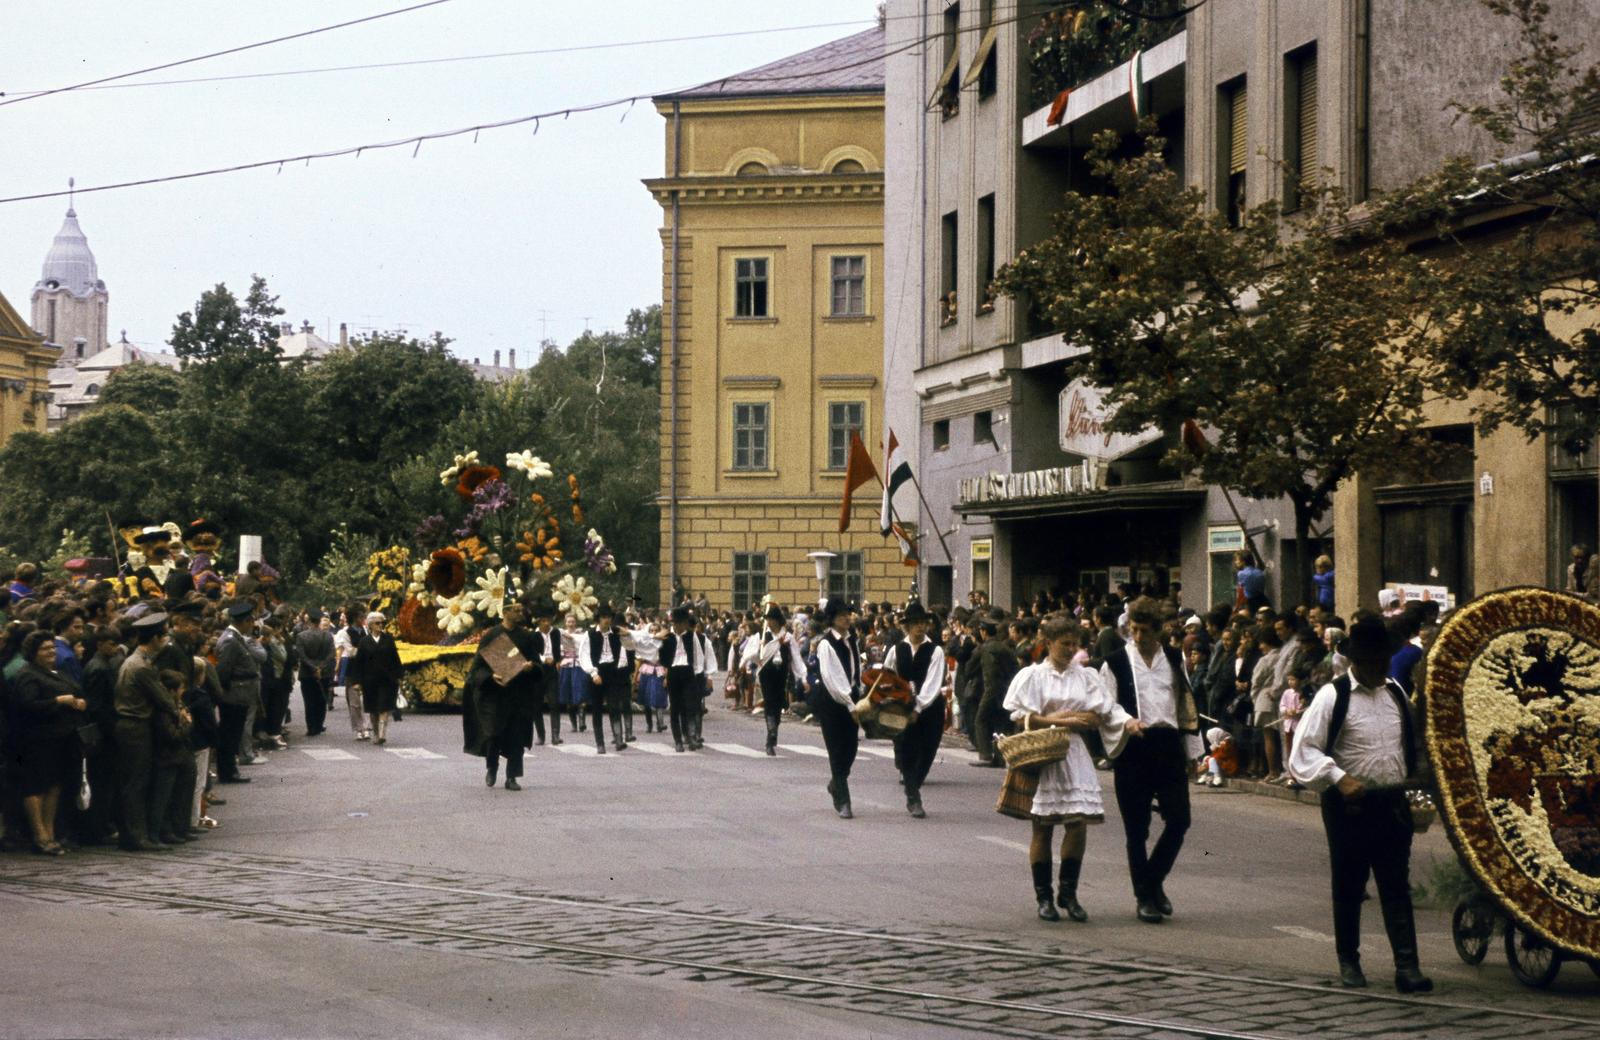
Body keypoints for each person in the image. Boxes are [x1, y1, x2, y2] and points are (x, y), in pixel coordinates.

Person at [1287, 615, 1432, 993]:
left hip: (1390, 801)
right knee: (1350, 885)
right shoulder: (1333, 696)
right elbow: (1303, 750)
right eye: (1369, 662)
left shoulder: (1396, 692)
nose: (1377, 668)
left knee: (1396, 884)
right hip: (1350, 805)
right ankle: (1349, 961)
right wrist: (1338, 777)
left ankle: (1407, 966)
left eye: (1382, 661)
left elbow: (1409, 744)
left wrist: (1414, 784)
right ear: (1355, 661)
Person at [1001, 616, 1130, 921]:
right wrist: (1064, 718)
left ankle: (1068, 893)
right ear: (1048, 643)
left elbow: (1099, 715)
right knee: (1043, 825)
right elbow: (1020, 716)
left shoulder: (1085, 676)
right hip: (1042, 752)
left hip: (1073, 752)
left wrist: (1073, 718)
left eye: (1075, 644)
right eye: (1065, 644)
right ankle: (1043, 896)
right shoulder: (1033, 676)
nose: (1071, 650)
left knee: (1077, 823)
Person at [1099, 598, 1204, 924]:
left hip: (1168, 743)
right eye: (1134, 630)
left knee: (1179, 820)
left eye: (1145, 630)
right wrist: (1125, 721)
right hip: (1134, 745)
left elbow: (1184, 704)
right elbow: (1105, 704)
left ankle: (1153, 880)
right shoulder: (1115, 662)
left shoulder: (1173, 659)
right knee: (1136, 828)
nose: (1139, 636)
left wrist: (1193, 751)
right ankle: (1144, 897)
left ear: (1158, 631)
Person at [12, 629, 88, 855]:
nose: (51, 652)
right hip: (38, 740)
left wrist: (79, 702)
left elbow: (75, 690)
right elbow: (27, 706)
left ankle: (50, 831)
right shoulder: (28, 674)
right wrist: (58, 701)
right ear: (33, 652)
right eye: (45, 649)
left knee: (54, 785)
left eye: (52, 647)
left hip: (62, 739)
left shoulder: (57, 671)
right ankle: (40, 834)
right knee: (36, 787)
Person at [113, 610, 180, 850]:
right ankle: (136, 836)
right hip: (135, 727)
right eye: (163, 636)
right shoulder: (141, 667)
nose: (165, 641)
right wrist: (178, 712)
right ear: (154, 639)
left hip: (131, 726)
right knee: (136, 782)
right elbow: (163, 699)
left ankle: (134, 833)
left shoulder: (134, 661)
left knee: (134, 780)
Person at [463, 601, 538, 789]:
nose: (521, 613)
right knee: (493, 734)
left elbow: (537, 663)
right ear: (505, 612)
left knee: (517, 736)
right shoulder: (492, 636)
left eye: (521, 610)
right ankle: (492, 767)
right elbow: (476, 669)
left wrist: (531, 667)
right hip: (495, 696)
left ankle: (512, 777)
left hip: (518, 694)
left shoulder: (526, 637)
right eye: (516, 610)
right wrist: (491, 676)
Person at [883, 601, 947, 819]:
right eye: (915, 624)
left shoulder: (935, 650)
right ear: (907, 627)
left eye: (923, 623)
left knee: (927, 751)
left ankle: (914, 785)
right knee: (908, 750)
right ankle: (913, 795)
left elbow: (933, 682)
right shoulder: (896, 649)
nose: (920, 627)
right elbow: (888, 674)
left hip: (930, 708)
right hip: (903, 707)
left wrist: (918, 707)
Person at [812, 598, 863, 819]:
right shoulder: (826, 644)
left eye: (848, 614)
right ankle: (843, 799)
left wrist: (859, 691)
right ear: (832, 619)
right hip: (833, 701)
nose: (847, 618)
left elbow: (854, 669)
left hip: (852, 696)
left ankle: (836, 782)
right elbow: (833, 679)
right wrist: (849, 703)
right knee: (836, 750)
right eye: (842, 615)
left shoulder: (852, 640)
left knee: (851, 748)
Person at [213, 601, 265, 782]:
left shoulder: (235, 638)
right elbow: (223, 671)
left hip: (240, 693)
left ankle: (230, 770)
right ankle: (228, 772)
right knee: (230, 734)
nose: (252, 625)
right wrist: (227, 694)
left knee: (233, 734)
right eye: (250, 622)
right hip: (235, 694)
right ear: (244, 621)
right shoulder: (230, 640)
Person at [747, 604, 804, 755]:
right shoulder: (764, 636)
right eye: (768, 620)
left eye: (772, 620)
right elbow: (754, 654)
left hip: (781, 673)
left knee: (778, 703)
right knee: (770, 701)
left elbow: (796, 658)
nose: (770, 623)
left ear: (778, 621)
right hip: (767, 673)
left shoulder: (788, 637)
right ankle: (770, 733)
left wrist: (802, 677)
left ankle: (773, 731)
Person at [578, 603, 631, 753]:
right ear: (598, 619)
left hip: (612, 672)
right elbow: (584, 655)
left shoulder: (616, 633)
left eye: (608, 617)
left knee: (614, 705)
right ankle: (600, 743)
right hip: (597, 672)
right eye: (603, 617)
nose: (606, 620)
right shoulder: (589, 635)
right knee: (597, 709)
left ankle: (619, 739)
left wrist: (626, 634)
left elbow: (629, 645)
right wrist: (593, 673)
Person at [972, 614, 1018, 767]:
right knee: (1000, 724)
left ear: (984, 632)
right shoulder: (1005, 647)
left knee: (981, 720)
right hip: (1006, 691)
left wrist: (988, 695)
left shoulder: (987, 649)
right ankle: (999, 757)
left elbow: (988, 675)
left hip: (993, 691)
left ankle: (985, 755)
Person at [659, 606, 706, 752]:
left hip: (688, 672)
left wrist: (697, 675)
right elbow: (660, 656)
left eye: (682, 623)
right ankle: (678, 740)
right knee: (675, 708)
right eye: (677, 623)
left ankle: (691, 737)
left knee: (690, 706)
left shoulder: (692, 636)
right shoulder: (667, 637)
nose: (680, 626)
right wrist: (664, 673)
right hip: (673, 672)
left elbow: (698, 657)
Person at [353, 611, 403, 745]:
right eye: (377, 623)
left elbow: (395, 659)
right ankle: (375, 732)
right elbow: (359, 663)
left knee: (384, 706)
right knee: (373, 709)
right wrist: (357, 682)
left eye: (382, 623)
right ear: (370, 625)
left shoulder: (388, 639)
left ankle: (382, 734)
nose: (380, 625)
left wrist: (399, 676)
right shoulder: (364, 642)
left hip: (387, 680)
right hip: (369, 681)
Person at [294, 610, 336, 737]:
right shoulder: (328, 636)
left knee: (309, 700)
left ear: (309, 620)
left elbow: (301, 655)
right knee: (321, 700)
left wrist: (313, 667)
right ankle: (319, 724)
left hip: (307, 673)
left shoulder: (301, 636)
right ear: (319, 621)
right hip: (324, 673)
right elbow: (331, 654)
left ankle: (311, 727)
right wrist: (320, 667)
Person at [528, 605, 562, 745]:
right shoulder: (533, 635)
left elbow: (558, 649)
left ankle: (555, 735)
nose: (546, 623)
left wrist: (558, 660)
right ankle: (541, 735)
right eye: (543, 621)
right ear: (539, 622)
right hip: (538, 671)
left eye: (548, 620)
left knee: (554, 703)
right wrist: (543, 659)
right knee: (537, 704)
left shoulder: (556, 633)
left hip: (552, 670)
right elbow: (532, 653)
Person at [556, 612, 588, 733]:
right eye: (569, 622)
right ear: (565, 622)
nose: (571, 624)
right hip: (566, 664)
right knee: (567, 694)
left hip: (579, 664)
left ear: (576, 623)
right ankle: (574, 724)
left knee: (580, 693)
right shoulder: (561, 634)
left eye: (573, 621)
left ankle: (582, 721)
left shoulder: (581, 634)